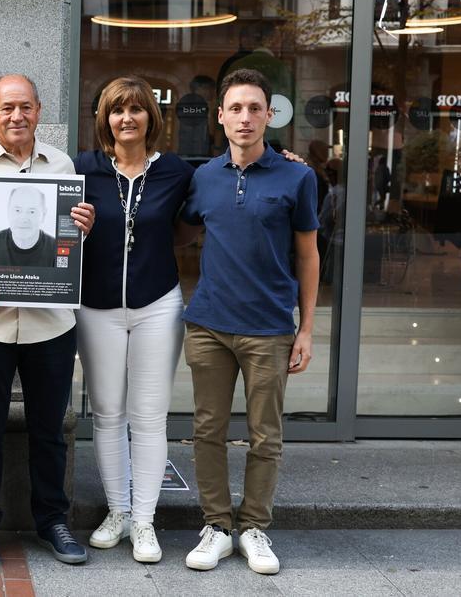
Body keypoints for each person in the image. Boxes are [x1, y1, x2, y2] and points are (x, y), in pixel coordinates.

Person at [0, 74, 95, 567]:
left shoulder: (63, 165)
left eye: (25, 107)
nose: (16, 116)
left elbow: (67, 245)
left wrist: (83, 232)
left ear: (39, 110)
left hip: (51, 324)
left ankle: (53, 521)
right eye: (7, 107)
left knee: (49, 430)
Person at [179, 68, 319, 576]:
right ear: (220, 116)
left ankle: (254, 527)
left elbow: (309, 255)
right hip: (209, 325)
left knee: (266, 435)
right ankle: (217, 526)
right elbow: (177, 230)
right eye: (235, 108)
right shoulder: (203, 177)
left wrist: (305, 328)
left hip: (269, 329)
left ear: (269, 115)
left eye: (254, 108)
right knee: (208, 429)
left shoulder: (297, 177)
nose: (245, 117)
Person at [74, 76, 195, 564]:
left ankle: (144, 521)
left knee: (148, 417)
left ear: (151, 118)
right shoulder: (83, 169)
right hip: (96, 307)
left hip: (157, 304)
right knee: (106, 414)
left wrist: (285, 159)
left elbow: (232, 172)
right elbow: (28, 181)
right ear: (104, 118)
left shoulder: (177, 172)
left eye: (136, 109)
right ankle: (117, 512)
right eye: (117, 110)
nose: (127, 118)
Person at [0, 185, 57, 267]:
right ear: (8, 211)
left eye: (32, 212)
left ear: (44, 214)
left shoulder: (56, 249)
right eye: (17, 210)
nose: (24, 218)